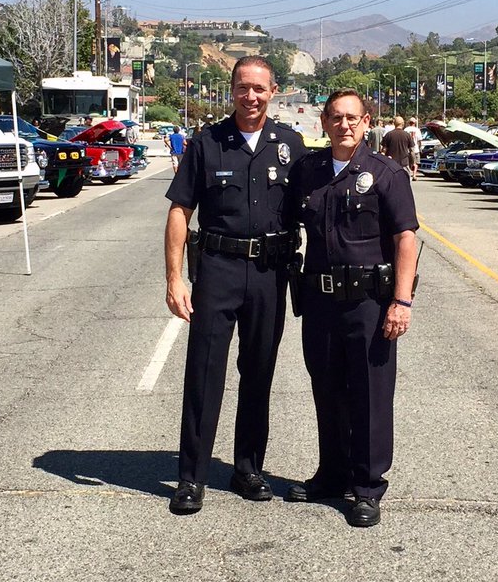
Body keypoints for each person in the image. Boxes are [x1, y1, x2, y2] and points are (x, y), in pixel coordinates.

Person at [163, 56, 307, 515]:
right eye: (243, 88)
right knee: (205, 374)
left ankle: (247, 467)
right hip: (219, 271)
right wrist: (174, 279)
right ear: (232, 90)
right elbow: (179, 212)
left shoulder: (291, 145)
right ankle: (191, 477)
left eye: (259, 89)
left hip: (270, 273)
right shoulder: (207, 143)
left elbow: (316, 206)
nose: (251, 97)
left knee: (259, 372)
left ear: (274, 90)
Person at [286, 88, 419, 528]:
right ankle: (331, 474)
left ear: (366, 124)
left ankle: (366, 487)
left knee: (369, 395)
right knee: (327, 390)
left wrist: (401, 301)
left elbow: (405, 239)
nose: (344, 124)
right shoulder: (308, 172)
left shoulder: (386, 174)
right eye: (336, 117)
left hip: (370, 304)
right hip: (321, 302)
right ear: (323, 122)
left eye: (352, 118)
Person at [403, 117, 422, 181]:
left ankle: (409, 174)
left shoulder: (406, 129)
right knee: (415, 163)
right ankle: (414, 175)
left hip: (407, 149)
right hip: (415, 149)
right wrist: (420, 147)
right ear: (415, 123)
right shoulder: (417, 130)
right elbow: (419, 140)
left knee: (408, 163)